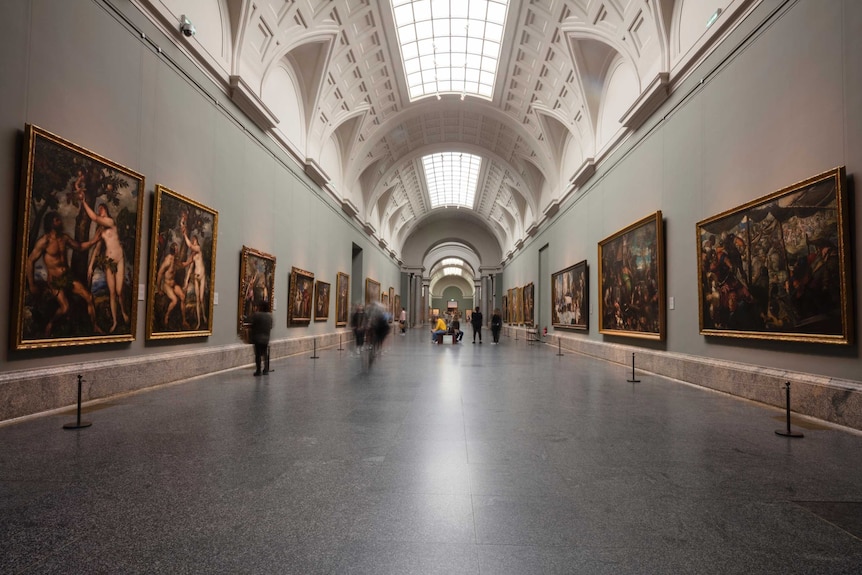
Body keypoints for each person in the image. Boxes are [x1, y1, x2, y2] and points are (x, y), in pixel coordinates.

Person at [26, 211, 101, 336]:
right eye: (57, 220)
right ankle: (50, 324)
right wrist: (32, 284)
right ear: (51, 223)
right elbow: (30, 261)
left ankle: (94, 326)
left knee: (89, 297)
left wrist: (94, 241)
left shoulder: (64, 238)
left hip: (68, 277)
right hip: (55, 281)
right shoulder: (44, 241)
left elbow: (80, 246)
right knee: (65, 308)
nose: (60, 221)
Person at [80, 190, 128, 333]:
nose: (99, 210)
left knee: (120, 291)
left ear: (106, 210)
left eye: (101, 208)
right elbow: (96, 248)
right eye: (98, 209)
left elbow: (94, 217)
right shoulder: (100, 231)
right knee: (112, 293)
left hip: (119, 259)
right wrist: (90, 266)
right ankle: (114, 321)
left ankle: (124, 311)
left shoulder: (110, 222)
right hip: (108, 262)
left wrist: (83, 202)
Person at [155, 242, 190, 330]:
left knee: (182, 296)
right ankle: (166, 316)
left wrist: (191, 260)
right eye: (177, 249)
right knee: (174, 300)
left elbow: (182, 265)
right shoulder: (168, 261)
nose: (178, 251)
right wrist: (159, 289)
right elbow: (159, 274)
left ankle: (184, 320)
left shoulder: (175, 260)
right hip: (166, 285)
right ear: (174, 250)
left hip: (173, 284)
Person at [182, 230, 207, 330]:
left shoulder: (198, 249)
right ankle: (199, 322)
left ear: (196, 241)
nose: (193, 242)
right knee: (197, 300)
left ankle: (204, 316)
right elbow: (189, 270)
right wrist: (186, 283)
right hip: (196, 278)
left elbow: (191, 247)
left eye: (194, 240)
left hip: (202, 276)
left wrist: (184, 234)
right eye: (192, 240)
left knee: (201, 299)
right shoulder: (192, 255)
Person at [249, 301, 272, 375]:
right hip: (266, 337)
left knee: (258, 355)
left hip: (257, 337)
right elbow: (271, 326)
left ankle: (258, 370)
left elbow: (252, 325)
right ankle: (266, 369)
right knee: (265, 354)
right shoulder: (269, 316)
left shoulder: (257, 315)